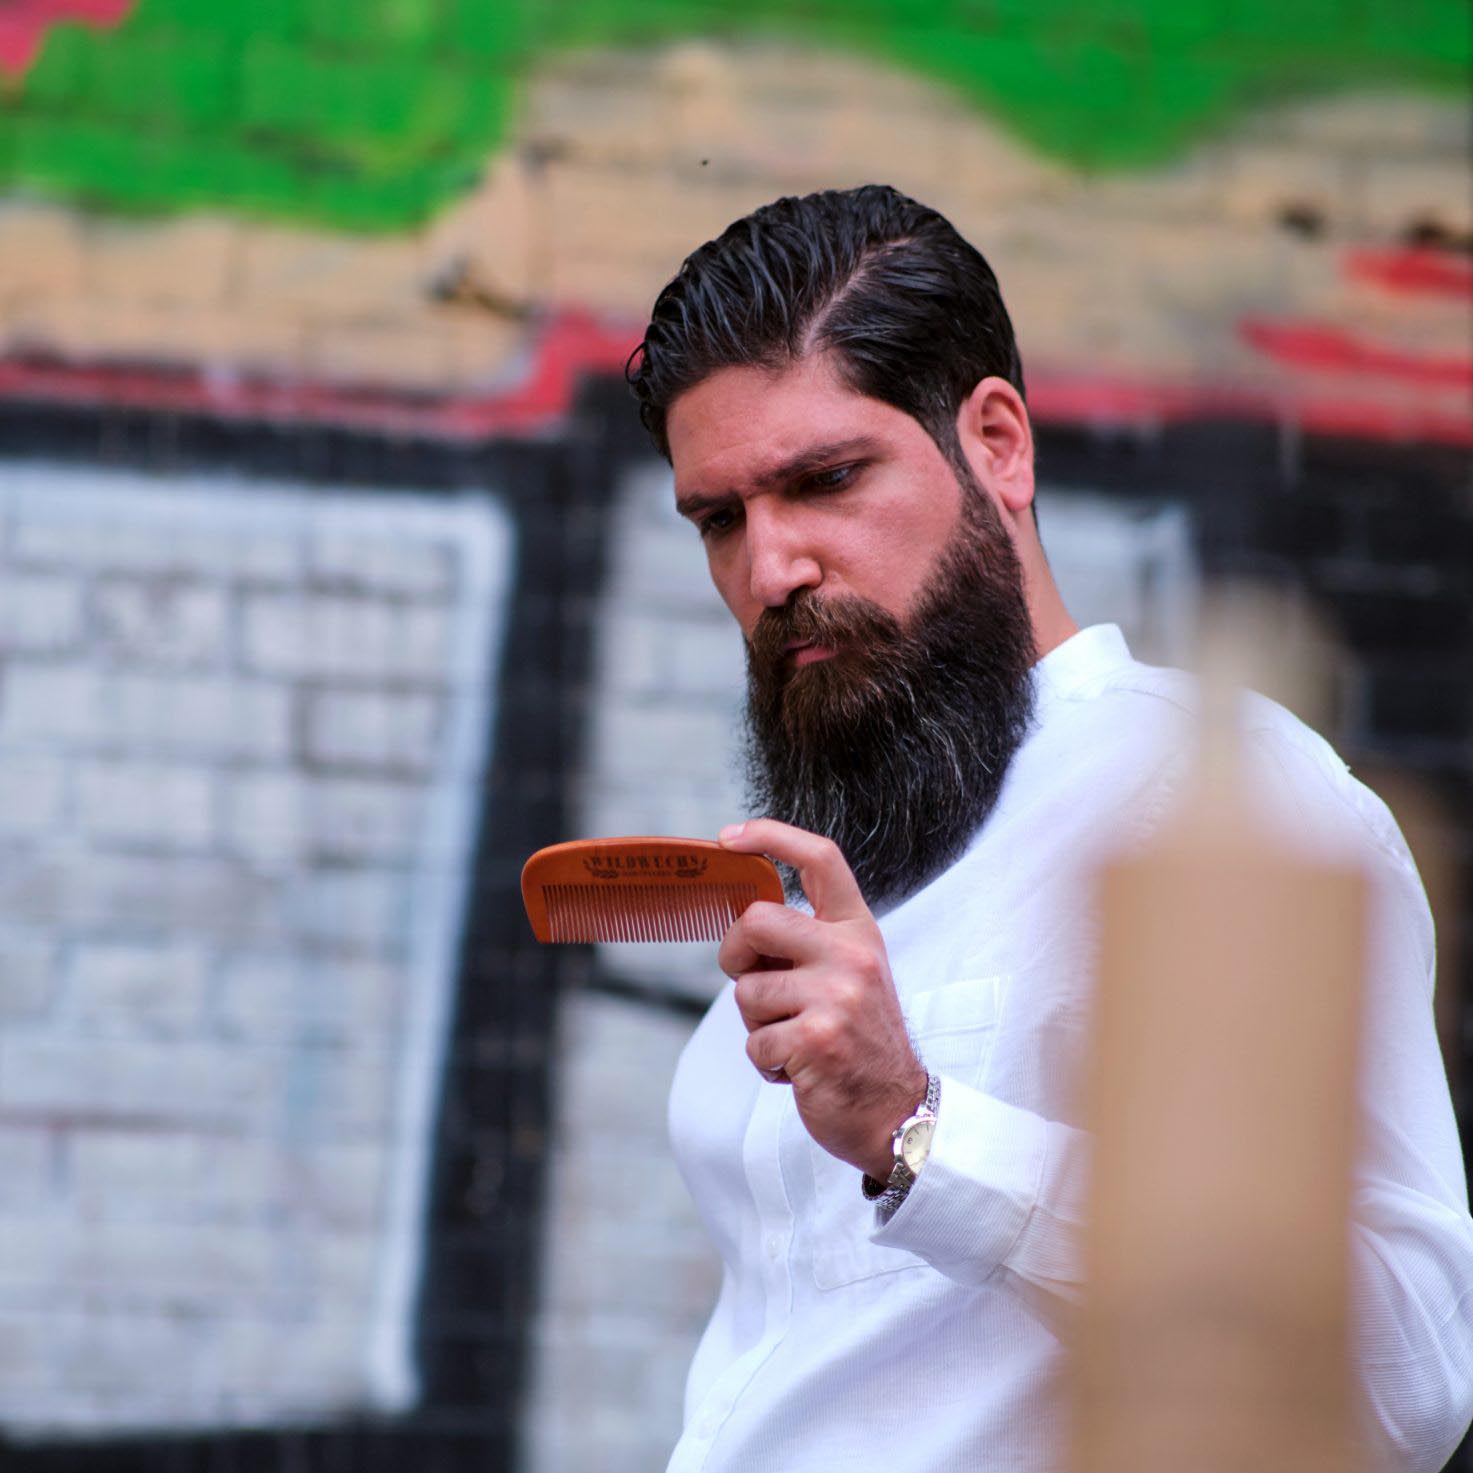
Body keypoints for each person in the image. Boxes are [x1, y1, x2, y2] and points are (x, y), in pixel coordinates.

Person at [624, 185, 1473, 1472]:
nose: (771, 567)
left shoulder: (1212, 801)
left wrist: (922, 1131)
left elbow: (1404, 1372)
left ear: (998, 444)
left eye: (827, 479)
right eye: (721, 518)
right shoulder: (851, 852)